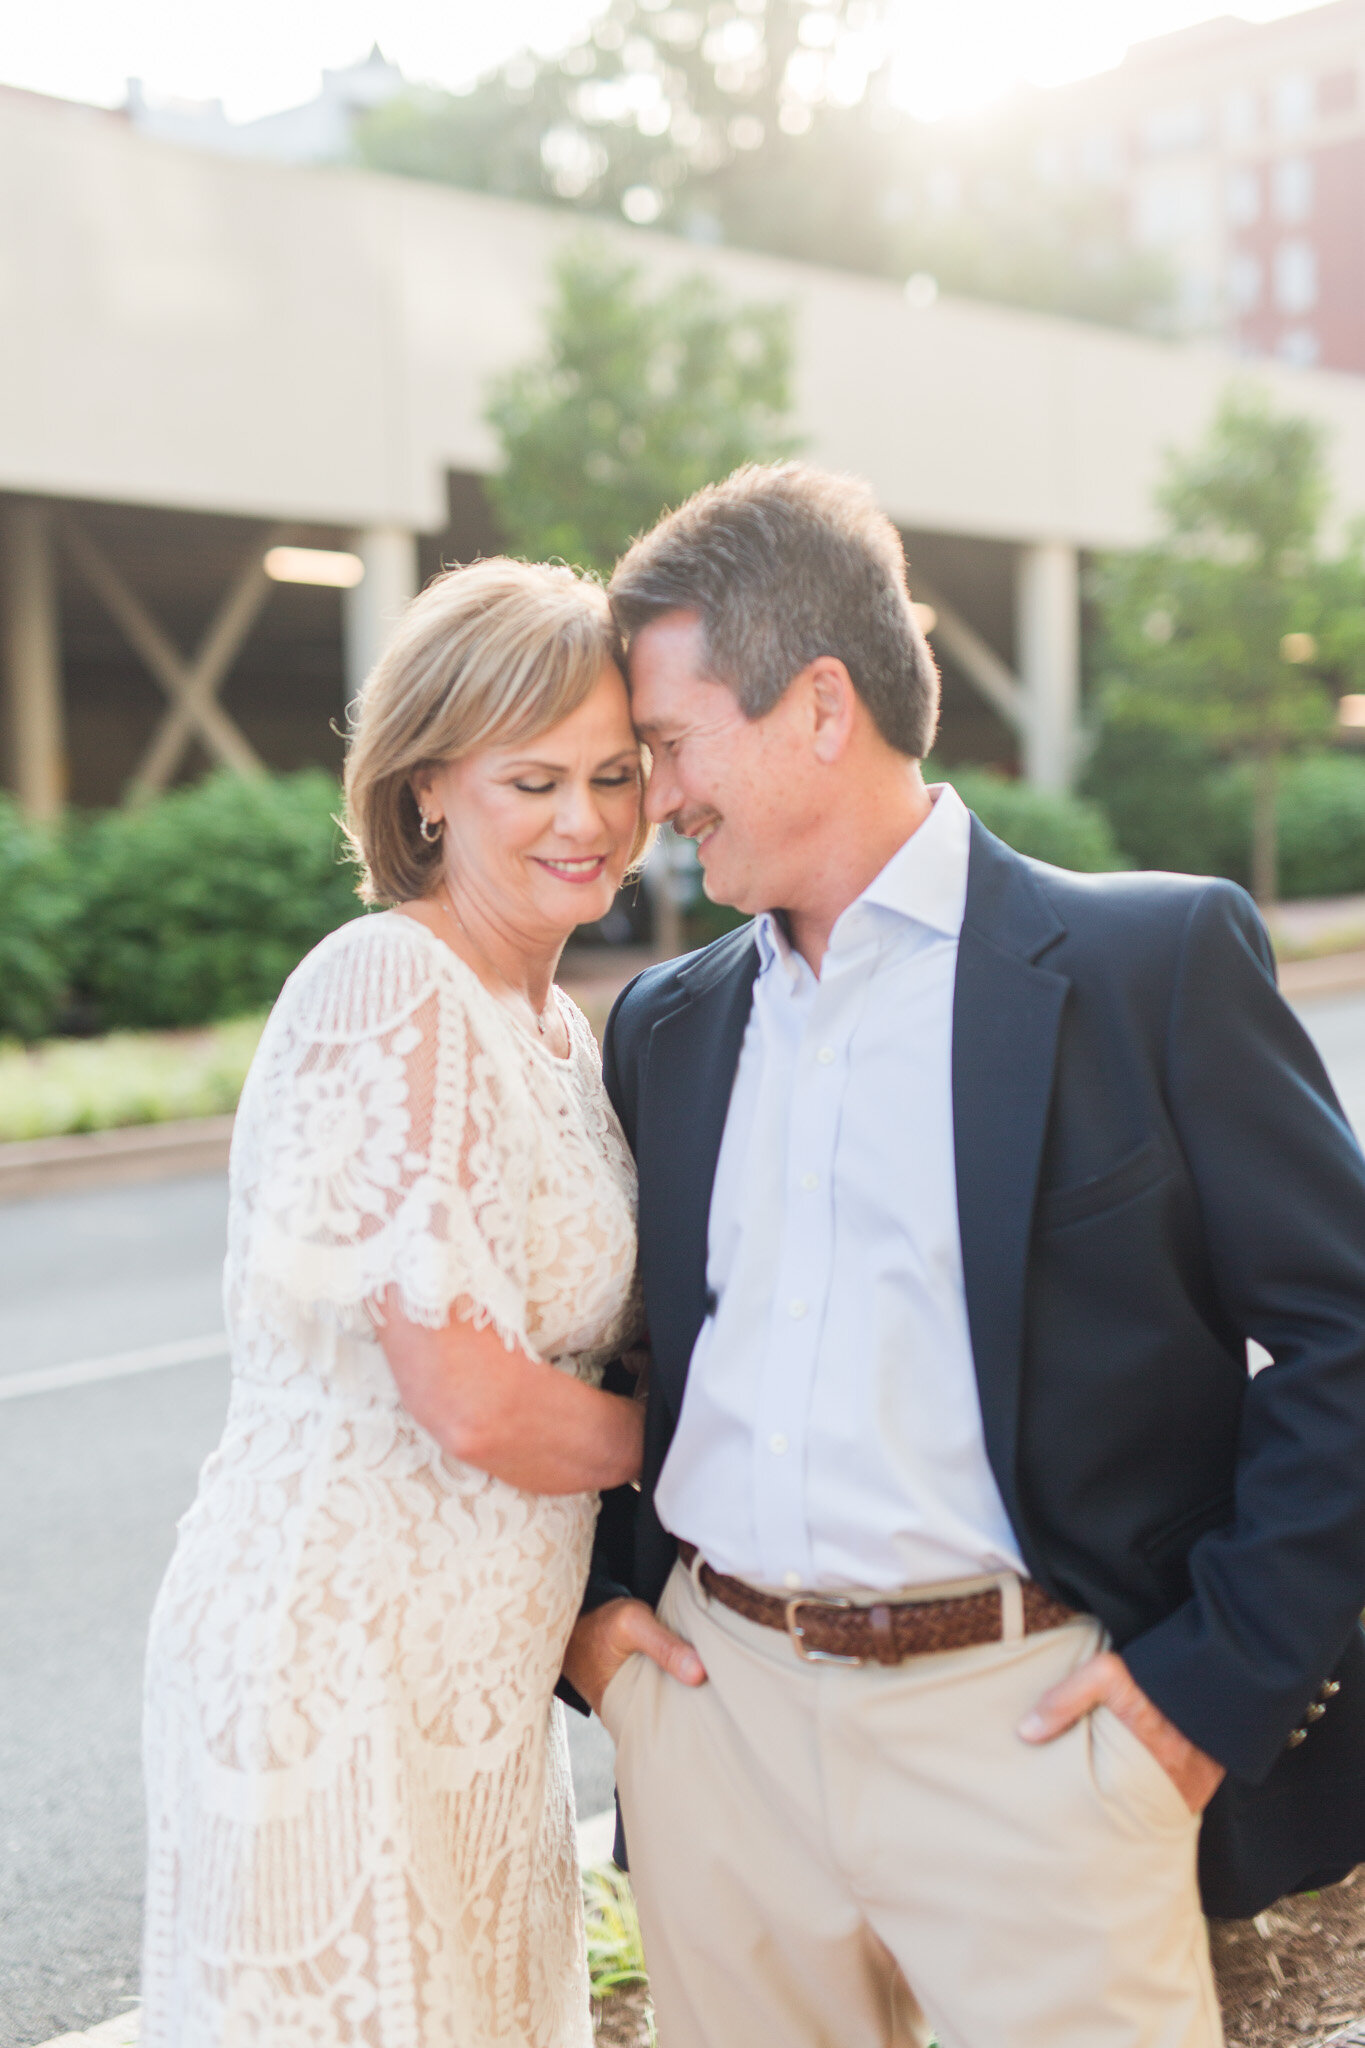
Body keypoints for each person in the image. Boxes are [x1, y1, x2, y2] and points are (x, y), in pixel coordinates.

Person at [561, 464, 1365, 2048]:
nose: (653, 798)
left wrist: (1204, 1696)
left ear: (816, 704)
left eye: (666, 743)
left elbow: (1346, 1340)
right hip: (715, 1732)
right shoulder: (665, 1026)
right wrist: (603, 1636)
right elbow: (621, 1357)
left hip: (1032, 1742)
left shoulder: (1149, 964)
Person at [142, 559, 646, 2048]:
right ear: (428, 790)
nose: (585, 818)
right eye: (532, 778)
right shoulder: (390, 982)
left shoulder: (549, 1025)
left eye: (615, 774)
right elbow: (469, 1396)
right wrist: (724, 1451)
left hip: (474, 1686)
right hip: (334, 1669)